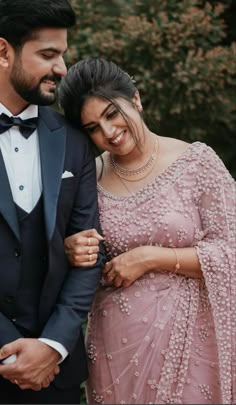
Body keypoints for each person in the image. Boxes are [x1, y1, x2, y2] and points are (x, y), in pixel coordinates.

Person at [58, 58, 236, 404]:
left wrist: (149, 258)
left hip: (194, 341)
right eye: (93, 127)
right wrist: (69, 249)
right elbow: (68, 252)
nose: (108, 132)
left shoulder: (197, 162)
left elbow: (232, 250)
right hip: (117, 344)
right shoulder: (86, 177)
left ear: (135, 100)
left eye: (112, 114)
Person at [0, 3, 105, 404]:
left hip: (55, 376)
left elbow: (89, 253)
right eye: (48, 55)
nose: (62, 68)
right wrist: (12, 349)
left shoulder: (75, 142)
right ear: (4, 51)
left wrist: (53, 345)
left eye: (62, 54)